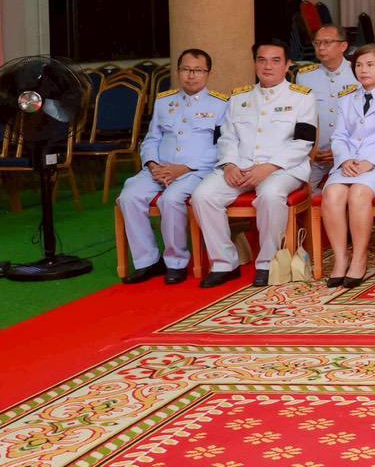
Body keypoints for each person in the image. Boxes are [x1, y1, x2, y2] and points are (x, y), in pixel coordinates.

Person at [190, 40, 316, 288]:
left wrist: (269, 167)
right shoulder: (239, 97)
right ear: (255, 63)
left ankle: (267, 263)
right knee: (203, 195)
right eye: (262, 60)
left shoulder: (302, 97)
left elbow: (303, 142)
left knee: (270, 194)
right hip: (241, 166)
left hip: (283, 168)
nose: (268, 66)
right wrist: (229, 164)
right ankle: (225, 263)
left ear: (287, 65)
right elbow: (227, 137)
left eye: (275, 60)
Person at [117, 48, 228, 285]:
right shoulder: (164, 101)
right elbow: (151, 139)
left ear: (208, 73)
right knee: (129, 196)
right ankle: (147, 261)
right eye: (186, 69)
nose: (191, 75)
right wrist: (152, 164)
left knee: (171, 199)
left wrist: (184, 168)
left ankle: (176, 262)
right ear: (178, 71)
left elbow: (221, 146)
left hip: (196, 171)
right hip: (159, 168)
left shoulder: (221, 104)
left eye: (198, 70)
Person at [320, 44, 375, 287]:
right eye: (359, 65)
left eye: (370, 65)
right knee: (332, 193)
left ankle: (359, 258)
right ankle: (341, 259)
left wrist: (370, 162)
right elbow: (339, 136)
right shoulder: (347, 98)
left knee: (359, 193)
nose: (363, 70)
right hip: (349, 163)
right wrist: (345, 160)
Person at [292, 24, 355, 189]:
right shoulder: (304, 76)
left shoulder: (358, 73)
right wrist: (310, 151)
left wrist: (342, 152)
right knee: (298, 192)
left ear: (343, 46)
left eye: (327, 42)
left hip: (352, 154)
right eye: (317, 43)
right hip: (315, 156)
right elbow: (299, 119)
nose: (321, 47)